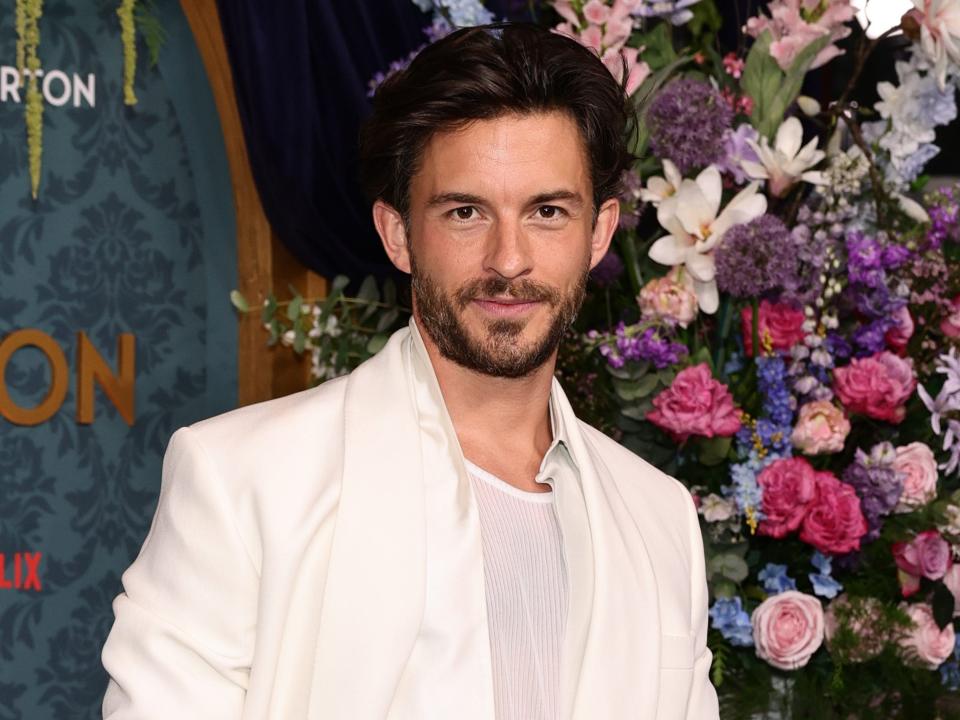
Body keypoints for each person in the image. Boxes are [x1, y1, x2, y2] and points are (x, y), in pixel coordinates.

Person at [101, 22, 719, 720]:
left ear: (599, 233)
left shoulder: (659, 517)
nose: (508, 259)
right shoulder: (241, 481)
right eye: (464, 212)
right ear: (399, 234)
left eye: (547, 212)